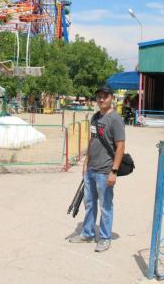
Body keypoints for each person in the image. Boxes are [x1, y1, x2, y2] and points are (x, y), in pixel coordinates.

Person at [69, 85, 125, 253]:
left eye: (105, 96)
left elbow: (120, 146)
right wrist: (86, 162)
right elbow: (92, 140)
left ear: (111, 98)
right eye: (99, 96)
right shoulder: (95, 117)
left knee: (105, 206)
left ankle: (105, 238)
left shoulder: (115, 119)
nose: (101, 99)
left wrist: (114, 171)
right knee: (89, 203)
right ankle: (87, 233)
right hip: (91, 169)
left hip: (105, 170)